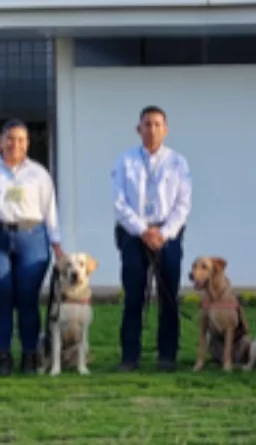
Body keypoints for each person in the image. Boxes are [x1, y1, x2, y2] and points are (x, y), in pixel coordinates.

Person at [0, 119, 63, 376]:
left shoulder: (39, 174)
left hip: (32, 237)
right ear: (0, 140)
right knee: (2, 296)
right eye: (10, 138)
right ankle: (3, 354)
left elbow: (50, 212)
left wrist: (58, 247)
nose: (14, 144)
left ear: (28, 143)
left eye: (20, 139)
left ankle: (30, 354)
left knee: (29, 298)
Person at [111, 105, 192, 372]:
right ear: (139, 129)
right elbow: (119, 203)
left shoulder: (178, 162)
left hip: (168, 234)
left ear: (166, 129)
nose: (152, 129)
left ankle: (167, 355)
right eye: (147, 124)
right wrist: (142, 230)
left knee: (169, 296)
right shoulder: (125, 160)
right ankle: (130, 356)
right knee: (134, 295)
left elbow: (183, 204)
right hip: (134, 234)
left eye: (158, 124)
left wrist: (164, 233)